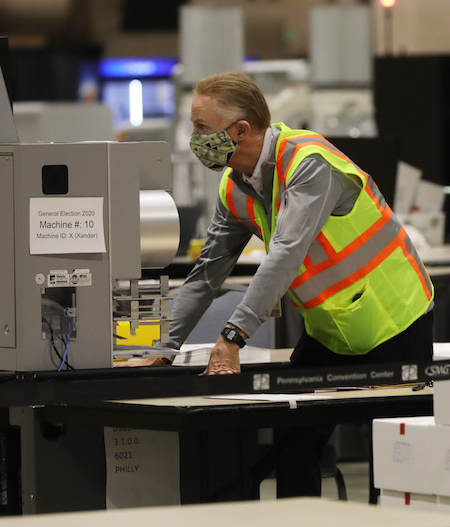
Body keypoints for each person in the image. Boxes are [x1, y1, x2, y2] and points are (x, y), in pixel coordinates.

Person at [168, 71, 435, 496]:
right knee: (294, 439)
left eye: (202, 127)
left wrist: (232, 335)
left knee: (395, 452)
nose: (195, 138)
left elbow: (285, 254)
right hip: (333, 333)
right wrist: (162, 349)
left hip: (395, 322)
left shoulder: (310, 164)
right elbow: (206, 274)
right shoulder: (235, 186)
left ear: (240, 130)